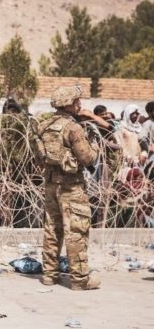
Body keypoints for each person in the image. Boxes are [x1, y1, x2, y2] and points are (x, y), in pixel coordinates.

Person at [36, 86, 101, 290]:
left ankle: (49, 274)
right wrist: (96, 146)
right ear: (69, 104)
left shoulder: (44, 125)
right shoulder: (73, 128)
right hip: (71, 186)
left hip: (50, 184)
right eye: (76, 102)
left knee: (52, 229)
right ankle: (80, 280)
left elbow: (39, 156)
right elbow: (87, 157)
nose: (79, 105)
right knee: (76, 231)